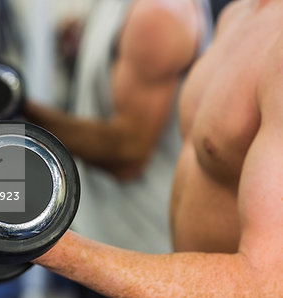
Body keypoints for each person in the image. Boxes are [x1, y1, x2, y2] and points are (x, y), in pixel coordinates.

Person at [30, 0, 283, 297]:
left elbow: (266, 283)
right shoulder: (240, 13)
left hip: (153, 260)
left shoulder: (165, 13)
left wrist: (39, 241)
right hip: (168, 276)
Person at [25, 0, 212, 253]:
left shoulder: (159, 14)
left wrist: (23, 112)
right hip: (96, 225)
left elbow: (128, 154)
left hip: (137, 246)